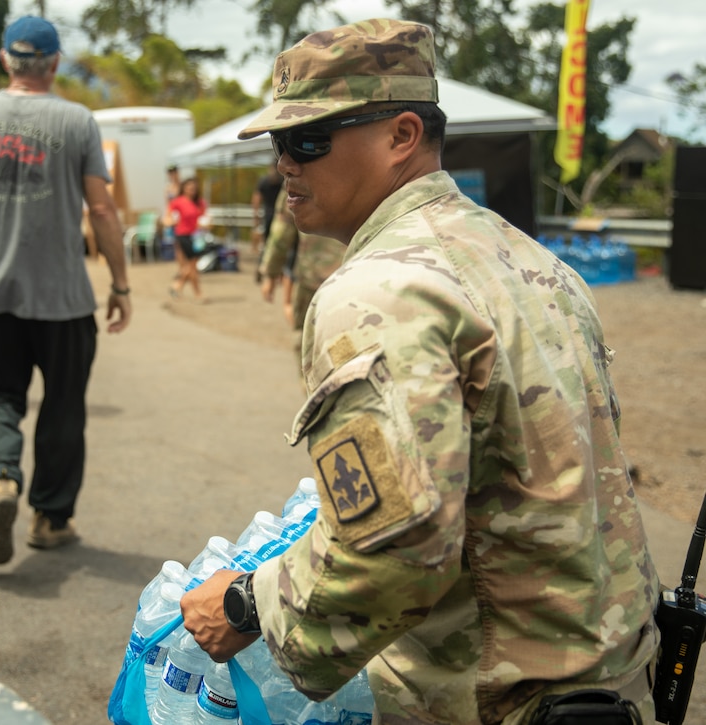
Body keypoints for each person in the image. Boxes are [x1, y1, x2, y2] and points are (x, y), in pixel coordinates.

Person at [180, 19, 659, 724]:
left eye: (308, 139)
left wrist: (245, 603)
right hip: (612, 680)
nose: (284, 162)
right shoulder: (533, 261)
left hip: (493, 697)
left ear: (403, 135)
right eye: (278, 142)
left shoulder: (376, 292)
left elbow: (397, 548)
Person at [0, 15, 132, 566]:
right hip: (66, 302)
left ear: (5, 60)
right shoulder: (77, 121)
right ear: (52, 64)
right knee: (63, 405)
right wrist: (120, 283)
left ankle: (0, 478)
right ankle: (50, 518)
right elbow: (101, 207)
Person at [258, 191, 344, 363]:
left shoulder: (300, 170)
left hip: (314, 280)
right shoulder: (370, 166)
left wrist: (270, 272)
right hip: (362, 273)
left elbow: (282, 231)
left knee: (311, 347)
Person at [166, 177, 207, 302]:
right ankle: (197, 293)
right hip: (183, 235)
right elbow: (168, 217)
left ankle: (178, 285)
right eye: (189, 187)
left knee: (192, 265)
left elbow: (205, 218)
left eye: (194, 188)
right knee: (192, 265)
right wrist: (170, 221)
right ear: (184, 188)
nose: (191, 190)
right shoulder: (178, 202)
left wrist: (205, 224)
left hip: (196, 236)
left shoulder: (199, 203)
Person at [249, 167, 283, 264]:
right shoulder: (265, 181)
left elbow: (256, 198)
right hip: (271, 215)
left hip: (278, 215)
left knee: (274, 241)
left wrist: (256, 215)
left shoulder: (281, 181)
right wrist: (256, 216)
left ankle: (266, 263)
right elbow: (256, 198)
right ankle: (264, 263)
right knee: (268, 241)